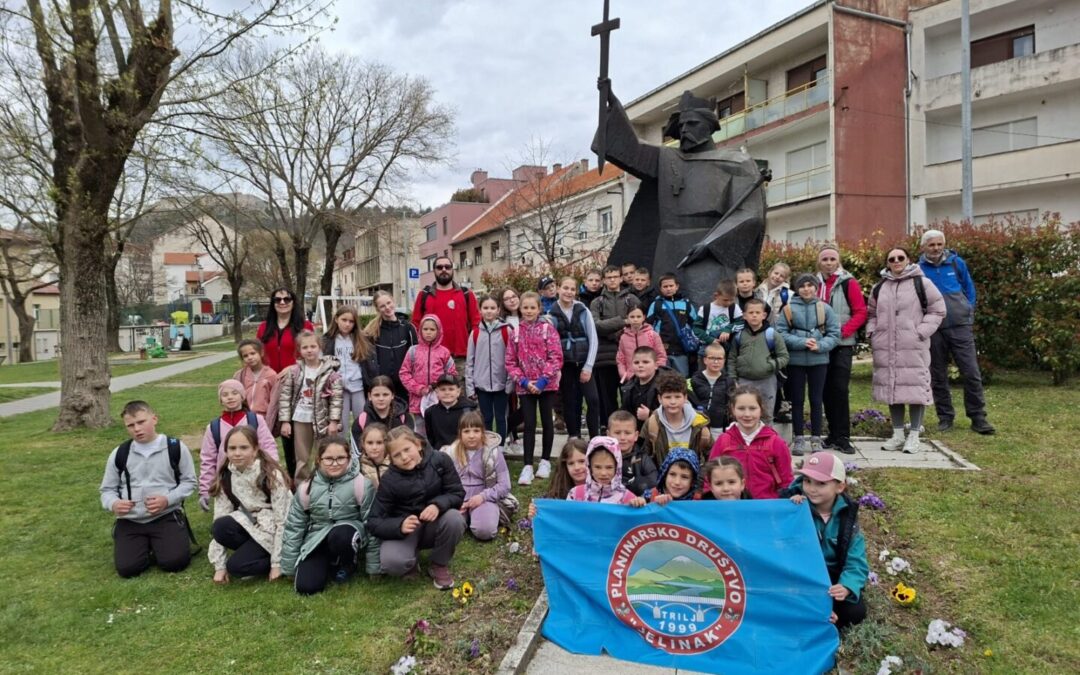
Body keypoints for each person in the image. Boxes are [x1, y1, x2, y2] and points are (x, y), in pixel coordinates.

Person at [594, 86, 767, 307]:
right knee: (663, 309)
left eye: (692, 124)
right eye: (681, 125)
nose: (685, 130)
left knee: (706, 309)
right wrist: (612, 105)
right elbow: (630, 150)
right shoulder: (668, 158)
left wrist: (709, 244)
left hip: (710, 252)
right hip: (667, 248)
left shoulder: (736, 163)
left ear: (709, 127)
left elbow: (750, 214)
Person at [99, 400, 196, 578]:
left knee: (175, 563)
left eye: (141, 422)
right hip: (131, 520)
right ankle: (144, 545)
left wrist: (167, 499)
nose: (137, 429)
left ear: (154, 419)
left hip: (165, 515)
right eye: (130, 425)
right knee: (128, 569)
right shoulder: (120, 453)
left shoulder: (175, 447)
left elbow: (189, 482)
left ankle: (161, 543)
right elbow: (107, 490)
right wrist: (114, 504)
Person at [868, 247, 946, 453]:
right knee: (892, 388)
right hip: (886, 346)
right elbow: (872, 313)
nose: (896, 261)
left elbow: (938, 309)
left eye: (900, 257)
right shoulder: (879, 287)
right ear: (887, 263)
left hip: (913, 346)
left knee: (915, 387)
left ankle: (914, 436)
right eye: (891, 258)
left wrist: (921, 331)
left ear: (908, 260)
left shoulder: (922, 283)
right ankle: (897, 434)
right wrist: (873, 332)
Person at [918, 229, 995, 434]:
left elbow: (969, 288)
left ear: (944, 245)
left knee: (971, 372)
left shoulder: (956, 263)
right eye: (931, 245)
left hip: (960, 325)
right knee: (938, 374)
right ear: (923, 247)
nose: (936, 248)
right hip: (934, 328)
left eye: (939, 244)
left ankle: (978, 418)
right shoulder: (917, 269)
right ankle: (945, 417)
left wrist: (967, 309)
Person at [370, 426, 466, 590]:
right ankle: (410, 561)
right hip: (407, 530)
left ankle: (438, 564)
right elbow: (374, 521)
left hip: (435, 523)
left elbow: (457, 492)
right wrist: (399, 525)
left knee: (455, 519)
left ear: (418, 444)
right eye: (397, 455)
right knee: (393, 563)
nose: (404, 457)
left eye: (407, 449)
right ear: (391, 459)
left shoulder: (441, 460)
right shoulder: (389, 480)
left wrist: (437, 505)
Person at [280, 435, 379, 595]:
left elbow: (371, 523)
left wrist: (374, 567)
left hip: (348, 532)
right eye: (329, 459)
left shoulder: (362, 484)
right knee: (306, 588)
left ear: (349, 458)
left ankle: (348, 563)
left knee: (341, 535)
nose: (335, 463)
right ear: (319, 460)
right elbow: (294, 526)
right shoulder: (306, 487)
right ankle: (330, 562)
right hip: (318, 535)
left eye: (340, 458)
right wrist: (289, 567)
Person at [785, 452, 868, 630]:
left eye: (821, 483)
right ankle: (816, 613)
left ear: (840, 487)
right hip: (802, 577)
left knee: (855, 612)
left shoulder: (847, 518)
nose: (811, 488)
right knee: (788, 604)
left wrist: (847, 585)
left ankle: (830, 616)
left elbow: (856, 561)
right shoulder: (796, 506)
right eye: (807, 481)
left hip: (832, 577)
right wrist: (790, 510)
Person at [207, 426, 291, 584]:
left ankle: (281, 557)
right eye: (232, 448)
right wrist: (219, 566)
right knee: (220, 526)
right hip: (249, 523)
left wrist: (276, 564)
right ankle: (253, 551)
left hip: (274, 528)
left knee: (237, 567)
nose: (237, 453)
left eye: (244, 447)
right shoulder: (226, 476)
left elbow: (283, 521)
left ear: (255, 449)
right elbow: (219, 515)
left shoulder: (271, 475)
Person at [778, 274, 841, 455]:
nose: (806, 289)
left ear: (815, 287)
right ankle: (798, 437)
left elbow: (834, 334)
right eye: (802, 286)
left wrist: (820, 346)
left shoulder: (824, 308)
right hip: (795, 361)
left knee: (816, 399)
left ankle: (815, 438)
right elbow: (781, 332)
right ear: (797, 289)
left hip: (819, 360)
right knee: (797, 400)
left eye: (810, 285)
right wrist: (801, 342)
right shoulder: (788, 309)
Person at [506, 292, 563, 485]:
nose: (529, 311)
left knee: (547, 421)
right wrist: (523, 381)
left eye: (533, 307)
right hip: (525, 387)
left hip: (546, 385)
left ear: (539, 309)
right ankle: (528, 465)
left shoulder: (548, 329)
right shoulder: (516, 333)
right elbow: (510, 361)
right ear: (520, 309)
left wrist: (542, 381)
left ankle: (545, 461)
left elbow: (556, 357)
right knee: (529, 424)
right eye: (525, 307)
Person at [817, 245, 868, 455]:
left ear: (838, 261)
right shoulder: (814, 283)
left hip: (842, 345)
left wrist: (842, 333)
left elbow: (860, 312)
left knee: (839, 389)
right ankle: (832, 434)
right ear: (819, 262)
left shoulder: (849, 283)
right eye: (825, 259)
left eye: (832, 259)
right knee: (825, 391)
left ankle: (843, 436)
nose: (829, 262)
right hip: (820, 345)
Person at [256, 287, 314, 476]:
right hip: (270, 386)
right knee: (265, 432)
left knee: (292, 435)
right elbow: (257, 354)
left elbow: (312, 353)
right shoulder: (264, 328)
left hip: (295, 385)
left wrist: (294, 366)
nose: (282, 303)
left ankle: (297, 480)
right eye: (277, 299)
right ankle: (267, 477)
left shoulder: (304, 327)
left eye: (287, 299)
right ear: (272, 304)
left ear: (293, 302)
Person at [198, 379, 278, 510]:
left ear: (242, 396)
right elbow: (208, 460)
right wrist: (204, 490)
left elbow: (268, 447)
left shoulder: (255, 420)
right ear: (220, 400)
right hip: (227, 480)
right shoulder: (213, 427)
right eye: (225, 395)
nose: (230, 397)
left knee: (256, 511)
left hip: (254, 476)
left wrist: (272, 472)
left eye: (234, 393)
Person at [277, 331, 343, 479]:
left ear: (320, 347)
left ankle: (325, 482)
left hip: (322, 419)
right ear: (299, 350)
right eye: (305, 347)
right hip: (300, 418)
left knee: (324, 453)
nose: (309, 350)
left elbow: (336, 399)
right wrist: (285, 422)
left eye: (313, 346)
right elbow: (285, 398)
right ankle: (303, 486)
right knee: (302, 457)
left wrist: (333, 422)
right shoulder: (294, 372)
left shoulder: (330, 372)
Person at [708, 386, 793, 500]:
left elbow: (786, 481)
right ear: (733, 409)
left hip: (766, 508)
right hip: (731, 508)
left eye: (752, 408)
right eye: (741, 408)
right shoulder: (723, 441)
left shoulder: (776, 443)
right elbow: (708, 478)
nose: (747, 414)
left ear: (761, 409)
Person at [442, 412, 514, 541]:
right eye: (466, 431)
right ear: (460, 433)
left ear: (482, 432)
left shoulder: (494, 452)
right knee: (448, 526)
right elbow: (443, 481)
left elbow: (505, 485)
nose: (471, 436)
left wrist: (482, 497)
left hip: (484, 497)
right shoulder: (450, 452)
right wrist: (453, 499)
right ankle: (465, 519)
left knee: (485, 531)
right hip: (458, 497)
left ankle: (481, 517)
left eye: (476, 431)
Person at [549, 277, 601, 439]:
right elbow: (551, 343)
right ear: (558, 289)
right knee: (571, 402)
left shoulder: (583, 310)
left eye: (572, 289)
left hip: (584, 362)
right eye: (565, 288)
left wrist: (588, 366)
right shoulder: (551, 314)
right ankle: (574, 436)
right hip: (566, 365)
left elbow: (593, 339)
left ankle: (595, 437)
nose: (568, 292)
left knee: (593, 400)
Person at [411, 255, 479, 369]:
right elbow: (416, 325)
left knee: (460, 387)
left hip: (460, 358)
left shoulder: (466, 294)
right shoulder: (424, 295)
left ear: (452, 270)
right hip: (432, 357)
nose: (444, 270)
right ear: (434, 271)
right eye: (439, 267)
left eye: (447, 267)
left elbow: (476, 324)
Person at [728, 298, 789, 423]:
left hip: (767, 381)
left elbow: (784, 356)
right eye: (751, 313)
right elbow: (732, 358)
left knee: (766, 415)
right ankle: (746, 442)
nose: (754, 315)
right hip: (744, 381)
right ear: (744, 316)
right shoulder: (739, 336)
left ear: (764, 315)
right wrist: (733, 378)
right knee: (744, 415)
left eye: (757, 312)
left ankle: (766, 442)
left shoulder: (772, 335)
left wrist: (771, 365)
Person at [590, 265, 635, 430]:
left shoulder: (631, 299)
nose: (613, 280)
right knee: (607, 398)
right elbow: (596, 326)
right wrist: (622, 322)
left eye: (616, 276)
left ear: (621, 278)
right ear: (604, 280)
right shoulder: (597, 302)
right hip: (605, 357)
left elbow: (637, 322)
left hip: (629, 356)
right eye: (609, 277)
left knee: (628, 396)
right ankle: (609, 428)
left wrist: (612, 328)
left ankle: (629, 428)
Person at [466, 295, 513, 443]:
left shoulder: (506, 331)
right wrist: (470, 387)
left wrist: (509, 384)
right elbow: (470, 362)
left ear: (498, 310)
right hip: (482, 385)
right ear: (480, 310)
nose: (489, 311)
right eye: (485, 308)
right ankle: (486, 445)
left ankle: (500, 446)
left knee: (501, 417)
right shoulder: (475, 333)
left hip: (501, 384)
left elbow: (512, 359)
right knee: (486, 417)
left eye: (493, 308)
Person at [322, 305, 377, 429]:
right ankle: (342, 448)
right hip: (338, 389)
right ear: (336, 319)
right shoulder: (327, 340)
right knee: (341, 425)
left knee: (363, 424)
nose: (347, 324)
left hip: (358, 387)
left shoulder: (362, 340)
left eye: (351, 321)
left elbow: (370, 365)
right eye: (344, 320)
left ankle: (361, 447)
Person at [398, 315, 456, 431]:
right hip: (418, 401)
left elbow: (452, 374)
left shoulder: (444, 352)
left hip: (440, 399)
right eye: (425, 329)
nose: (428, 332)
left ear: (438, 331)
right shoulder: (413, 351)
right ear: (420, 330)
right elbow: (404, 373)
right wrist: (418, 388)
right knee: (420, 431)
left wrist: (439, 387)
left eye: (432, 329)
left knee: (439, 429)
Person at [642, 370, 712, 466]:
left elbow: (711, 456)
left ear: (685, 398)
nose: (673, 402)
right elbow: (643, 457)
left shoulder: (699, 423)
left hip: (694, 479)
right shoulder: (652, 424)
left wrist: (699, 479)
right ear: (659, 399)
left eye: (677, 396)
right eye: (668, 397)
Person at [365, 290, 418, 402]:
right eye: (382, 306)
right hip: (382, 387)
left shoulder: (408, 328)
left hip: (405, 386)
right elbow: (368, 361)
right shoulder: (371, 332)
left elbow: (416, 358)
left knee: (405, 418)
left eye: (389, 303)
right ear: (377, 309)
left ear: (393, 301)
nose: (387, 307)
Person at [646, 273, 700, 376]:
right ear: (660, 288)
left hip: (682, 351)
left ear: (677, 286)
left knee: (682, 379)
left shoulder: (686, 304)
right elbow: (648, 327)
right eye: (665, 286)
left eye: (671, 286)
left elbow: (696, 325)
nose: (668, 289)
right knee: (662, 380)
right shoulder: (656, 304)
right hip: (662, 351)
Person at [350, 375, 414, 453]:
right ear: (369, 396)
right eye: (376, 395)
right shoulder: (361, 421)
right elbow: (358, 451)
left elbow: (410, 445)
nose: (381, 399)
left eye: (385, 395)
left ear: (392, 395)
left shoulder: (404, 418)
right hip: (370, 463)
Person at [528, 438, 589, 518]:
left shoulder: (606, 492)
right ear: (565, 466)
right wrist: (534, 514)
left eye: (581, 461)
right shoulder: (557, 494)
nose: (576, 467)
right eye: (571, 463)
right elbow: (546, 519)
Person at [566, 436, 637, 505]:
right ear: (589, 467)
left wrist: (639, 504)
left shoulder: (628, 499)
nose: (603, 473)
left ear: (617, 468)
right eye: (597, 467)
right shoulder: (575, 494)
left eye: (609, 467)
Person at [608, 409, 658, 497]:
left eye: (627, 433)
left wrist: (631, 486)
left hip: (636, 504)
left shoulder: (643, 458)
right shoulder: (601, 457)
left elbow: (654, 481)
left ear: (636, 436)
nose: (622, 437)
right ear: (608, 435)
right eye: (617, 433)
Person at [497, 287, 524, 451]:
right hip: (510, 368)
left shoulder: (528, 316)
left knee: (527, 406)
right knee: (510, 403)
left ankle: (508, 431)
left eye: (514, 296)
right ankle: (511, 436)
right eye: (507, 298)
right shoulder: (502, 322)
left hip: (529, 369)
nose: (512, 300)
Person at [424, 373, 477, 451]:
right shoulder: (430, 412)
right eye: (443, 389)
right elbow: (431, 437)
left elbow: (473, 435)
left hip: (463, 452)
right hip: (441, 454)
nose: (447, 392)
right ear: (436, 392)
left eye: (451, 389)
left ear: (458, 391)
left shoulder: (468, 411)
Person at [616, 302, 667, 382]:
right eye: (632, 317)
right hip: (631, 379)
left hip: (651, 378)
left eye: (638, 316)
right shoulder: (623, 337)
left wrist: (655, 372)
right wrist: (624, 374)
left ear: (643, 317)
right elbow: (620, 359)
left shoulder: (653, 335)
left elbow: (661, 356)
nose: (635, 319)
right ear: (627, 318)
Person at [691, 342, 732, 439]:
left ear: (724, 360)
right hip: (699, 424)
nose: (716, 362)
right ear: (705, 360)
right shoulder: (695, 379)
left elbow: (730, 404)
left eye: (719, 359)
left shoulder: (728, 381)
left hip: (719, 425)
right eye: (712, 358)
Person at [633, 448, 700, 506]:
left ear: (692, 481)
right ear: (664, 475)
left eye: (684, 477)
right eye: (672, 474)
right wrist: (639, 503)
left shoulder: (699, 502)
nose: (677, 482)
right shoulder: (650, 496)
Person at [233, 339, 278, 425]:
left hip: (264, 419)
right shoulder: (239, 375)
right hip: (245, 418)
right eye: (245, 356)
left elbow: (275, 400)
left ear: (261, 353)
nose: (250, 357)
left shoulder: (271, 375)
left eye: (253, 353)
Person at [695, 279, 742, 355]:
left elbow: (741, 322)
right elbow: (696, 328)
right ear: (716, 295)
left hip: (727, 349)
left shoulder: (734, 308)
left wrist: (728, 330)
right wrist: (710, 340)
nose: (729, 303)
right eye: (725, 300)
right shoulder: (705, 309)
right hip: (708, 347)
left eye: (732, 300)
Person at [620, 346, 662, 427]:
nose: (640, 365)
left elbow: (673, 413)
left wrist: (650, 415)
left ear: (656, 365)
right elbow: (625, 411)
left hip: (659, 435)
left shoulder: (664, 386)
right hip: (635, 433)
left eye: (645, 362)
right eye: (636, 362)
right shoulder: (629, 387)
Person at [358, 423, 391, 489]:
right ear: (363, 444)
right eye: (370, 443)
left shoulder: (394, 463)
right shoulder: (358, 466)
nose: (374, 447)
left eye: (379, 442)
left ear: (386, 443)